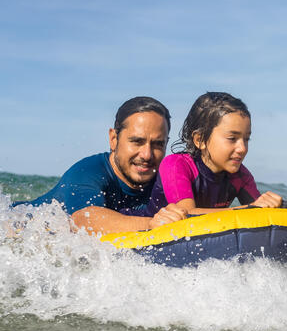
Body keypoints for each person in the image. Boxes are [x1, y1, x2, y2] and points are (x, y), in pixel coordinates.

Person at [146, 92, 287, 216]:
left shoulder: (240, 175)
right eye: (232, 139)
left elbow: (265, 210)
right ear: (200, 140)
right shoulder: (176, 165)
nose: (242, 148)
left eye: (246, 139)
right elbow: (186, 213)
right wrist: (248, 210)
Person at [14, 97, 187, 234]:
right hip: (17, 225)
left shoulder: (166, 178)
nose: (147, 154)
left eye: (157, 144)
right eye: (137, 141)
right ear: (113, 139)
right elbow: (84, 219)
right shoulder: (87, 173)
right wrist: (152, 224)